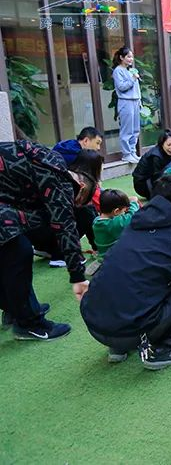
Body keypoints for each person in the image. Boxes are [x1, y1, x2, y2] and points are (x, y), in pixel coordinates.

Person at [81, 175, 171, 367]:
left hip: (95, 325)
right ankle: (164, 348)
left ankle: (118, 347)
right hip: (130, 332)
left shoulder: (134, 224)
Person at [0, 140, 95, 340]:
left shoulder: (49, 160)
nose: (73, 204)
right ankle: (29, 323)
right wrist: (78, 277)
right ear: (82, 185)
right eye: (78, 200)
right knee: (18, 250)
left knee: (10, 247)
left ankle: (15, 308)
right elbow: (65, 227)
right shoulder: (59, 181)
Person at [112, 46, 142, 163]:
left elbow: (136, 88)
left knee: (135, 129)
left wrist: (139, 102)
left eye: (132, 56)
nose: (131, 59)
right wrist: (133, 79)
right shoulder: (118, 71)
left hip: (135, 101)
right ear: (121, 57)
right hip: (126, 102)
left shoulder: (130, 70)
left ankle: (133, 152)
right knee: (127, 129)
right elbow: (121, 87)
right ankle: (126, 154)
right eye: (128, 56)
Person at [93, 189, 139, 258]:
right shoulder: (111, 224)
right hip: (112, 257)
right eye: (124, 210)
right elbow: (131, 217)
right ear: (116, 211)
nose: (125, 212)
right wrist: (133, 203)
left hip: (105, 254)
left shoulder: (97, 220)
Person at [132, 130, 171, 199]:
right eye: (169, 145)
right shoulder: (156, 156)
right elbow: (156, 178)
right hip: (143, 185)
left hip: (154, 179)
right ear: (162, 143)